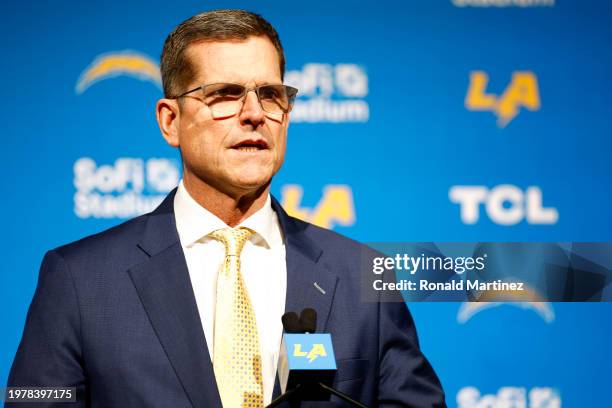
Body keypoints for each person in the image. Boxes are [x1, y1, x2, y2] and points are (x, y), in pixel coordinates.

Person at [7, 9, 446, 408]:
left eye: (271, 94)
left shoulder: (361, 273)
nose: (254, 114)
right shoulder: (80, 280)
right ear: (170, 121)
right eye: (225, 94)